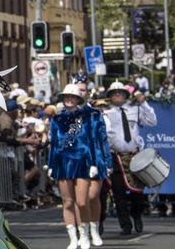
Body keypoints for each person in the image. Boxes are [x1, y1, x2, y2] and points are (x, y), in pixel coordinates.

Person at [49, 83, 110, 249]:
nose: (69, 99)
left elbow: (92, 140)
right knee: (68, 202)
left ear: (78, 99)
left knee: (83, 201)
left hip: (82, 162)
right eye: (66, 97)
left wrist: (94, 163)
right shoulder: (56, 119)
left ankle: (87, 233)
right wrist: (50, 164)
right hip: (62, 163)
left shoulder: (88, 117)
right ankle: (73, 238)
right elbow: (54, 143)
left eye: (73, 97)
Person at [102, 81, 157, 235]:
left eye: (121, 92)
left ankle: (137, 215)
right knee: (118, 193)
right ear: (110, 97)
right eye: (115, 93)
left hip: (134, 156)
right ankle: (125, 225)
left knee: (137, 193)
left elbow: (152, 121)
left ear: (126, 95)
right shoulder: (105, 113)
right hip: (116, 156)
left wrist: (144, 103)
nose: (118, 95)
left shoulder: (135, 110)